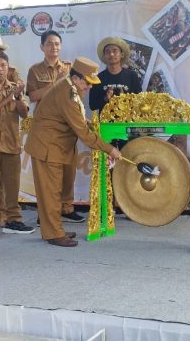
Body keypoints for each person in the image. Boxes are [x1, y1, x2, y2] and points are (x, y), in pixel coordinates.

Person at [24, 57, 122, 247]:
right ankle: (53, 234)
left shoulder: (69, 87)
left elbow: (75, 119)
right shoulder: (67, 94)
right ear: (76, 78)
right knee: (50, 193)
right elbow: (83, 134)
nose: (89, 87)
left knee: (55, 192)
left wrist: (89, 124)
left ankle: (53, 229)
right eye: (87, 83)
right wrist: (110, 149)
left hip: (55, 146)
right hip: (47, 147)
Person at [25, 30, 85, 224]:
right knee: (47, 176)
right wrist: (57, 83)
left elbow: (79, 95)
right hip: (47, 129)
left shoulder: (70, 68)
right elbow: (33, 96)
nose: (54, 47)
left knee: (68, 171)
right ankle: (46, 213)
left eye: (57, 43)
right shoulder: (35, 70)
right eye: (49, 44)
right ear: (42, 47)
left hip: (68, 127)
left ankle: (66, 208)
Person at [0, 50, 34, 235]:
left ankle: (13, 220)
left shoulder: (14, 88)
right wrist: (7, 99)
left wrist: (16, 97)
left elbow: (24, 113)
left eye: (3, 65)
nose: (0, 69)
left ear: (8, 68)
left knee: (12, 185)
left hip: (11, 143)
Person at [89, 36, 142, 115]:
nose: (111, 54)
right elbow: (92, 106)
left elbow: (140, 101)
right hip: (105, 121)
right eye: (107, 52)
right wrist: (105, 98)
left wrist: (125, 99)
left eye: (115, 50)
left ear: (122, 54)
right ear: (104, 56)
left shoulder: (132, 76)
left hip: (127, 121)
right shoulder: (98, 78)